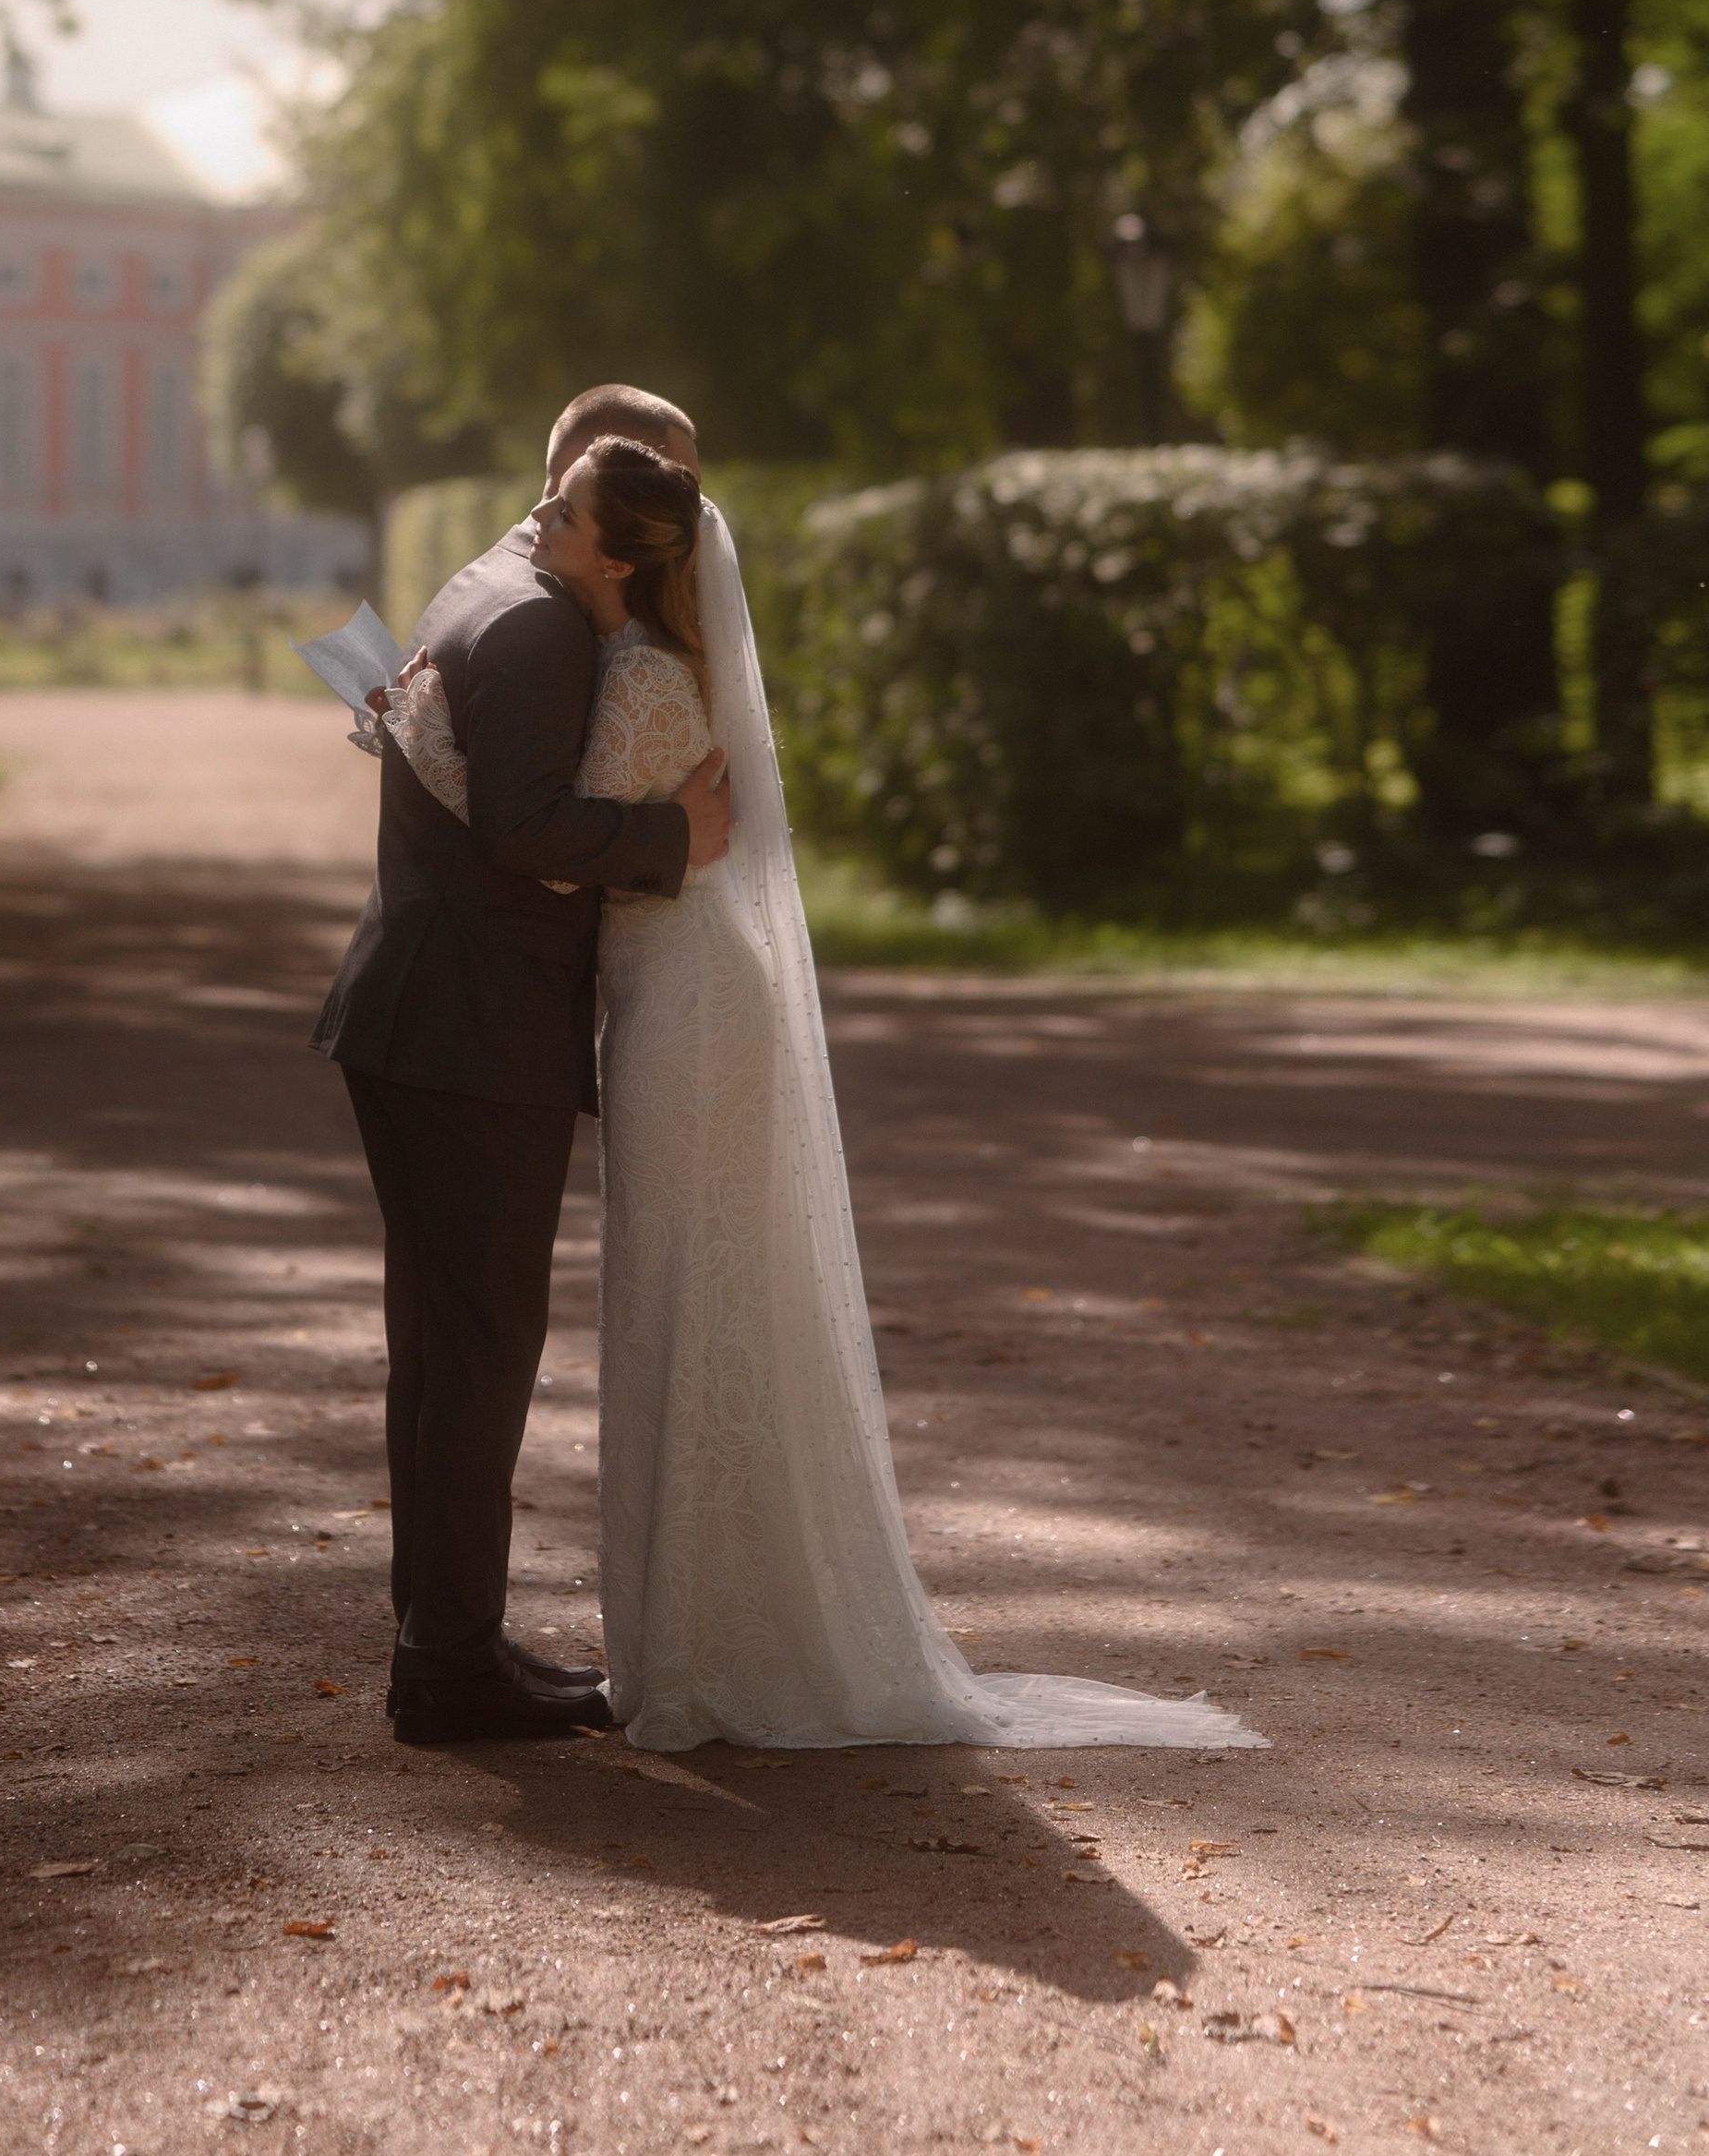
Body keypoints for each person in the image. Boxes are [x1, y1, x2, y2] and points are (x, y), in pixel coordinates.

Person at [383, 436, 1264, 1756]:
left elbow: (559, 841)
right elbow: (552, 828)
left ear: (618, 555)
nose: (536, 515)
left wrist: (437, 750)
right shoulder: (591, 640)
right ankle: (599, 1637)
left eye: (561, 510)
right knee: (655, 1306)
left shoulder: (633, 670)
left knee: (697, 1297)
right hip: (651, 1002)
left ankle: (700, 1634)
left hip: (686, 1009)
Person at [311, 387, 733, 1746]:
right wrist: (677, 844)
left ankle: (445, 1643)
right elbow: (525, 827)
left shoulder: (477, 580)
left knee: (441, 1348)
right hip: (473, 1029)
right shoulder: (549, 622)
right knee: (480, 1350)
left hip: (415, 1013)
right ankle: (449, 1662)